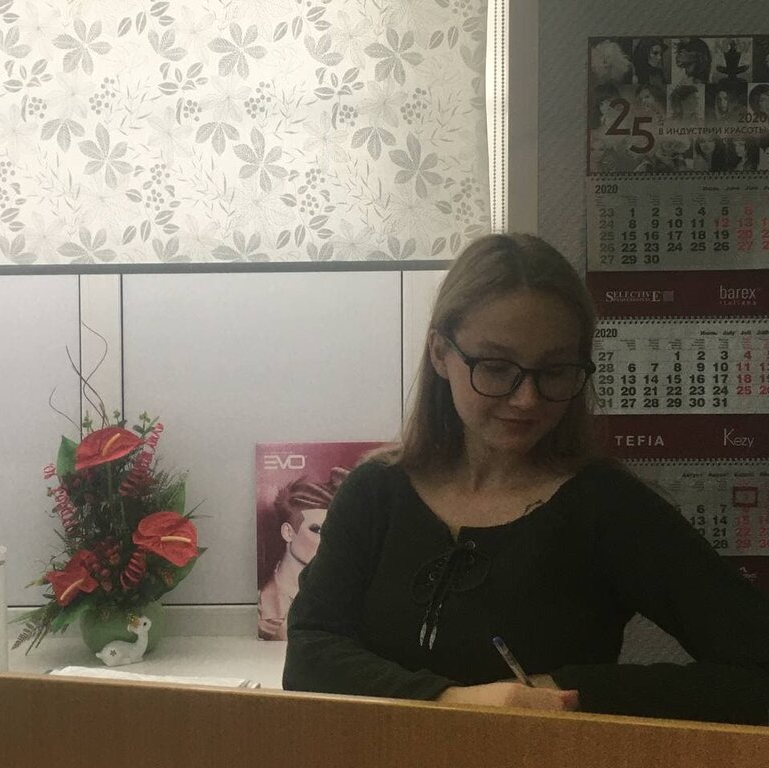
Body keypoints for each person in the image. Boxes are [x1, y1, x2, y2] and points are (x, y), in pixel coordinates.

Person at [283, 234, 769, 724]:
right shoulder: (374, 491)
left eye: (555, 371)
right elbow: (309, 655)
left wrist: (571, 691)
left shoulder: (609, 507)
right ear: (440, 353)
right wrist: (452, 701)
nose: (527, 399)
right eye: (497, 368)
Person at [257, 469, 347, 640]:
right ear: (288, 532)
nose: (328, 539)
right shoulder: (262, 610)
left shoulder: (341, 592)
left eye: (333, 530)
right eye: (317, 530)